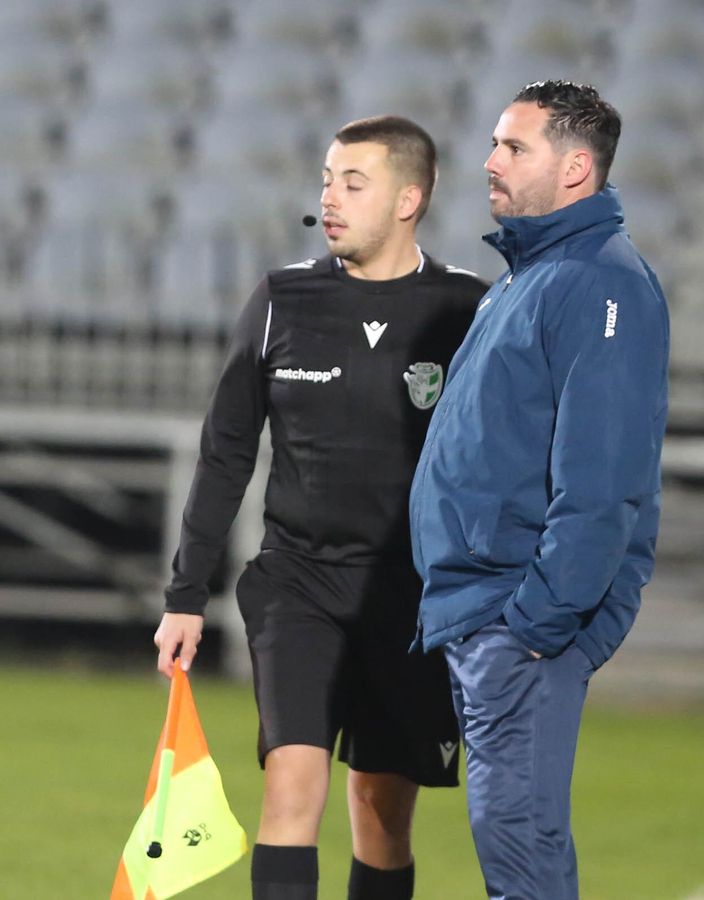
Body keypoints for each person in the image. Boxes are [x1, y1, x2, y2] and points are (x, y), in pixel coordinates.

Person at [152, 115, 487, 900]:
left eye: (353, 183)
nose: (330, 199)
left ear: (409, 199)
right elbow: (226, 451)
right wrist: (185, 595)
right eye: (327, 181)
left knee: (379, 814)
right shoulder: (281, 300)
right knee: (290, 788)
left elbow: (498, 463)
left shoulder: (468, 311)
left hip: (410, 602)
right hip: (297, 587)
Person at [408, 81, 669, 899]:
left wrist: (536, 622)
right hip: (481, 611)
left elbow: (603, 480)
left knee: (520, 856)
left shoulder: (600, 283)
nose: (490, 161)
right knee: (513, 849)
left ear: (575, 168)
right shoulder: (531, 276)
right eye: (494, 143)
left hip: (513, 618)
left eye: (514, 147)